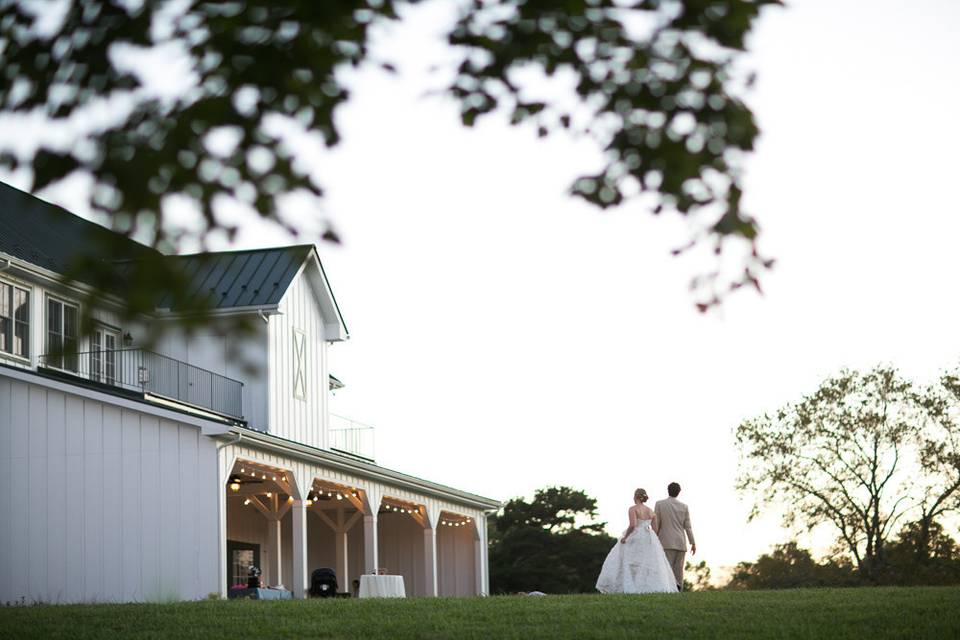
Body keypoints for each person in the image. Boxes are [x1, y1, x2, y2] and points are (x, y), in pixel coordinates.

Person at [595, 488, 678, 594]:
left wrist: (625, 537)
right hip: (648, 537)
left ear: (636, 497)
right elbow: (655, 529)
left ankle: (630, 587)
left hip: (635, 537)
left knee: (630, 561)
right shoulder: (650, 511)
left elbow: (633, 525)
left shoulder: (633, 509)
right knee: (646, 562)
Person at [654, 482, 696, 592]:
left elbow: (656, 524)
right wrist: (693, 543)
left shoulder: (659, 504)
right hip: (681, 543)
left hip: (666, 542)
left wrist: (653, 539)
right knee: (679, 571)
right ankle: (679, 592)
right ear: (679, 492)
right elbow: (688, 527)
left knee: (667, 569)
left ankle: (668, 591)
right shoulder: (684, 506)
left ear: (668, 490)